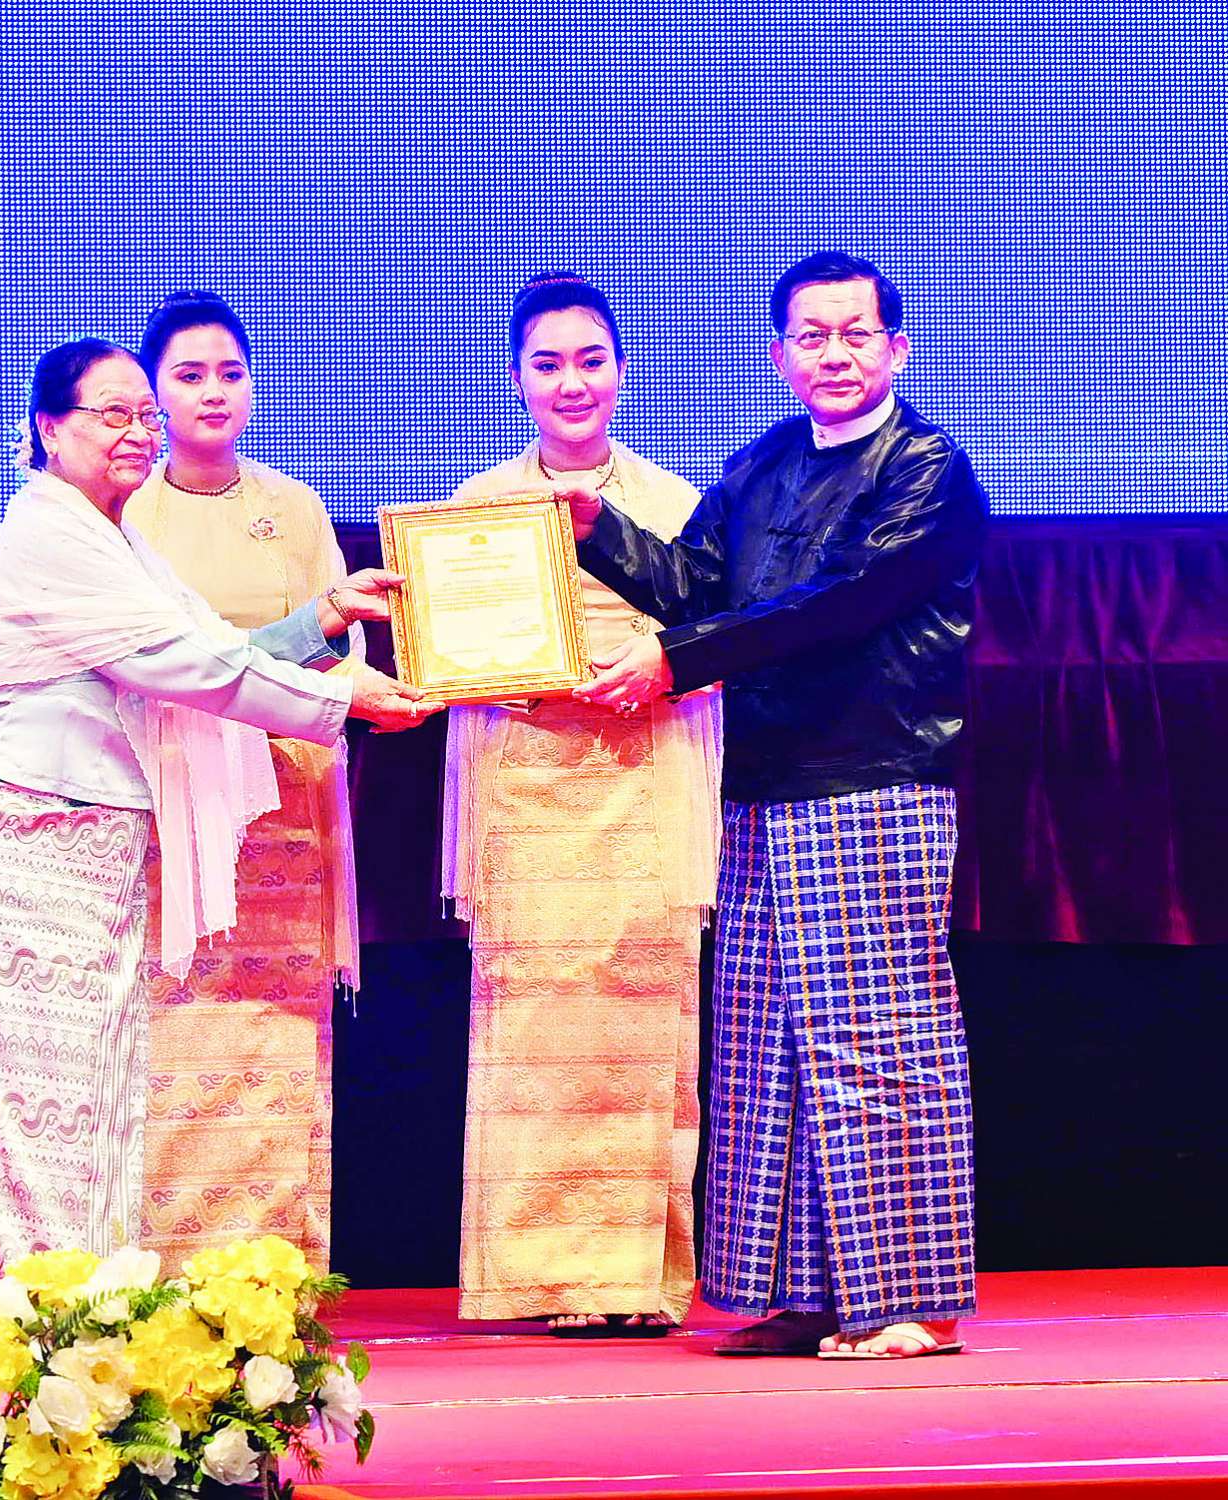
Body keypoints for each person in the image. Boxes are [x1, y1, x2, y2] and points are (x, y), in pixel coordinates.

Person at [0, 337, 439, 1270]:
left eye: (142, 416)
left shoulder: (115, 538)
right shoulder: (50, 531)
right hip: (14, 829)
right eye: (111, 413)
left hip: (85, 836)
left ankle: (80, 1313)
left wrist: (325, 620)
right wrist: (341, 701)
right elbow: (184, 665)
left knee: (95, 1090)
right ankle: (10, 1315)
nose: (136, 432)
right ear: (48, 429)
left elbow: (210, 645)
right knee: (24, 1099)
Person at [569, 251, 988, 1359]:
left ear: (897, 349)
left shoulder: (928, 471)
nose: (834, 355)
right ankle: (811, 1296)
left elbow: (832, 606)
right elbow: (695, 586)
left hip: (872, 782)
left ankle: (908, 1301)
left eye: (856, 335)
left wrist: (675, 662)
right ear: (779, 354)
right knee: (775, 1048)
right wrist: (590, 526)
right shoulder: (759, 464)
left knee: (879, 1044)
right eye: (812, 336)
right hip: (758, 787)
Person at [444, 272, 722, 1335]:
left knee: (646, 1026)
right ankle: (544, 1276)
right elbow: (451, 662)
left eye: (591, 360)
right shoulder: (474, 506)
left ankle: (639, 1279)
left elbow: (715, 642)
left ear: (622, 370)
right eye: (549, 363)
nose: (573, 383)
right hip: (528, 787)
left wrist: (658, 671)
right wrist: (500, 679)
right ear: (517, 379)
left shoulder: (677, 503)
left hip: (645, 779)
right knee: (537, 1026)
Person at [124, 291, 369, 1273]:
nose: (213, 392)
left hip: (284, 807)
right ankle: (168, 1275)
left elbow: (338, 650)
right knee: (174, 1036)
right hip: (168, 811)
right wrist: (294, 643)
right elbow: (155, 667)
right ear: (153, 394)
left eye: (231, 372)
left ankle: (275, 1274)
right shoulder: (124, 512)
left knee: (277, 1041)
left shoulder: (294, 507)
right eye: (189, 375)